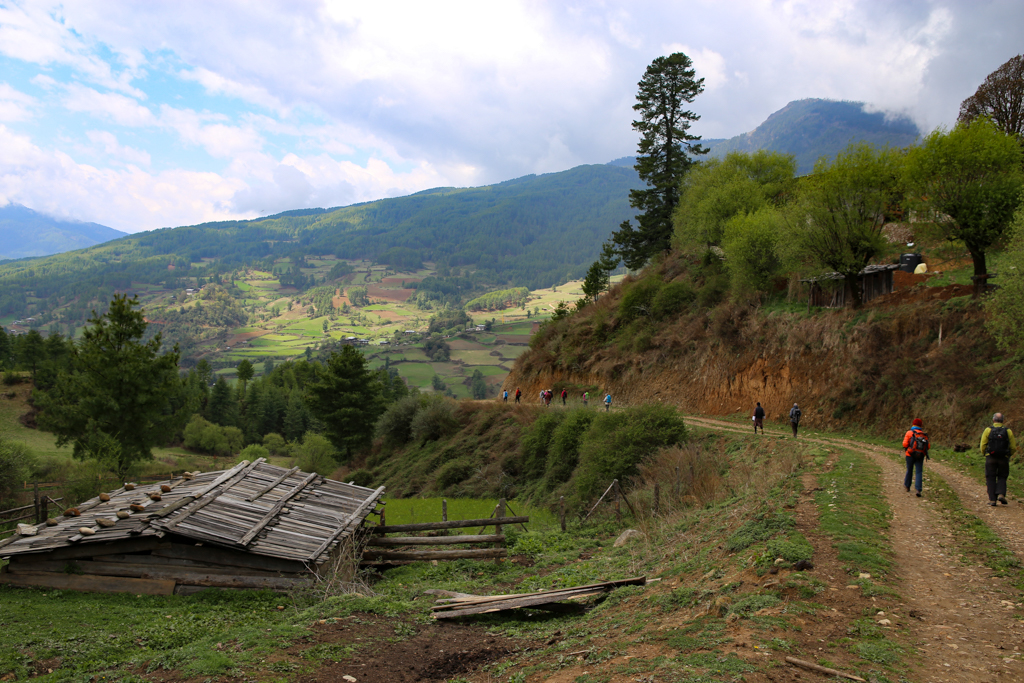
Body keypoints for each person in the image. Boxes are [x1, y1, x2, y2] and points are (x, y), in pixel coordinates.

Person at [980, 412, 1016, 507]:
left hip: (991, 457)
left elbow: (983, 444)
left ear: (993, 420)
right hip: (1003, 458)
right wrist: (1008, 455)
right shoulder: (1008, 431)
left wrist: (985, 453)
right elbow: (1013, 447)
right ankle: (1001, 493)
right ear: (1003, 420)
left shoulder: (988, 430)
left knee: (990, 477)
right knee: (1002, 476)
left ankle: (992, 499)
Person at [902, 417, 930, 497]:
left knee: (909, 470)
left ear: (913, 424)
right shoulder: (923, 435)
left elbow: (904, 444)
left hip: (910, 454)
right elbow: (928, 446)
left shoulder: (909, 433)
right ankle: (918, 489)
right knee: (919, 471)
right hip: (920, 455)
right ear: (921, 425)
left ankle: (907, 486)